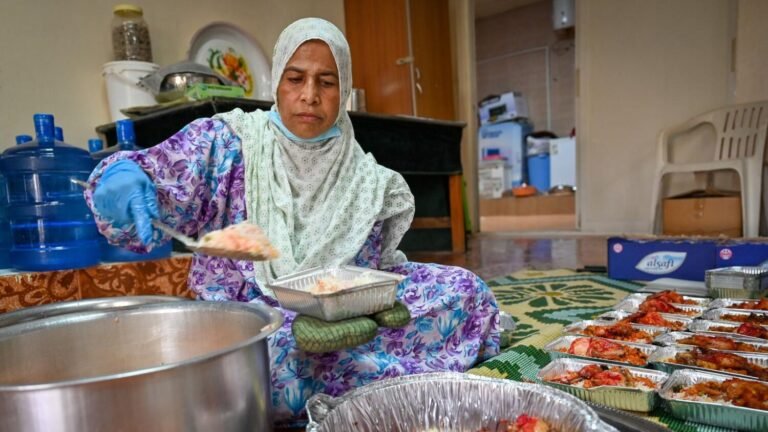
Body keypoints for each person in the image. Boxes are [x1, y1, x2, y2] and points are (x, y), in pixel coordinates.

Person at [85, 17, 500, 425]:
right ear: (276, 85)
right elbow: (158, 172)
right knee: (269, 364)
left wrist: (366, 302)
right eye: (295, 78)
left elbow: (369, 270)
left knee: (466, 291)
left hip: (342, 316)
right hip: (253, 316)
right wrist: (123, 177)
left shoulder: (367, 177)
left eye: (327, 82)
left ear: (343, 91)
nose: (310, 96)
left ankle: (359, 377)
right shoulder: (228, 142)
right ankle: (371, 379)